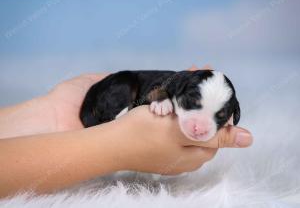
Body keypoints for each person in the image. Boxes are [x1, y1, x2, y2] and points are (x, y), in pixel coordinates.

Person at [0, 65, 253, 198]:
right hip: (117, 89)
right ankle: (110, 117)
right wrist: (115, 142)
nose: (201, 126)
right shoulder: (171, 85)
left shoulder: (185, 87)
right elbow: (156, 92)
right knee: (124, 86)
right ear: (180, 89)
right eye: (191, 105)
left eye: (218, 117)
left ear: (232, 115)